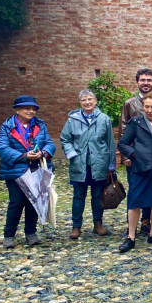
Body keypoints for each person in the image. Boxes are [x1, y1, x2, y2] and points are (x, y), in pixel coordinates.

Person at [0, 95, 56, 248]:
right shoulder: (7, 126)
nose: (31, 111)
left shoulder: (40, 125)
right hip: (15, 171)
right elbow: (2, 149)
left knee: (34, 201)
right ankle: (9, 235)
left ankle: (31, 233)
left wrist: (42, 153)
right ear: (17, 110)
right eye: (27, 108)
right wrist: (23, 156)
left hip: (36, 169)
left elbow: (50, 143)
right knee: (16, 203)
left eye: (33, 109)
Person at [117, 92, 152, 252]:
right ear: (143, 107)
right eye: (147, 107)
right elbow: (123, 143)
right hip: (141, 168)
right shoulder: (136, 122)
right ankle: (131, 237)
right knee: (135, 202)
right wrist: (134, 154)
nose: (149, 110)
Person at [60, 89, 116, 240]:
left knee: (97, 196)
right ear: (80, 103)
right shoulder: (73, 119)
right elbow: (65, 139)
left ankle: (98, 224)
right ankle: (76, 226)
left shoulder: (104, 119)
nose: (87, 102)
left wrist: (112, 165)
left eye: (90, 99)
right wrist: (71, 153)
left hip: (100, 163)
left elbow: (110, 143)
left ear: (95, 101)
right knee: (79, 196)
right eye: (84, 100)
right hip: (79, 163)